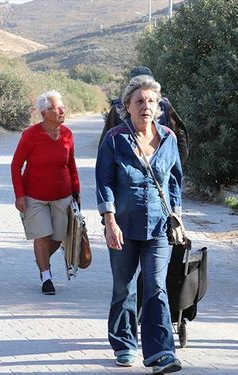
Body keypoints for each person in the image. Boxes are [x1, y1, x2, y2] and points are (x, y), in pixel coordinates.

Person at [96, 75, 183, 373]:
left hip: (159, 226)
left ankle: (161, 352)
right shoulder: (115, 139)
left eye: (151, 101)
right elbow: (104, 182)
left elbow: (174, 180)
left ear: (158, 107)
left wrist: (178, 215)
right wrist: (109, 221)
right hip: (123, 224)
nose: (146, 106)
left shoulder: (169, 138)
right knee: (124, 287)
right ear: (127, 107)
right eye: (139, 101)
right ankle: (124, 344)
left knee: (157, 287)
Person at [10, 90, 80, 296]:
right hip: (34, 196)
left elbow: (71, 163)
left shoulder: (67, 133)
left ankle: (41, 259)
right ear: (43, 112)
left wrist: (76, 189)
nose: (61, 111)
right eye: (55, 108)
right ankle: (46, 276)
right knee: (42, 236)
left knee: (57, 237)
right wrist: (19, 195)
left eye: (62, 107)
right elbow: (16, 166)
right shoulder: (30, 135)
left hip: (63, 195)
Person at [99, 66, 189, 164]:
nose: (146, 106)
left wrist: (174, 163)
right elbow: (105, 145)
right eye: (137, 82)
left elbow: (180, 133)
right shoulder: (118, 109)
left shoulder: (164, 106)